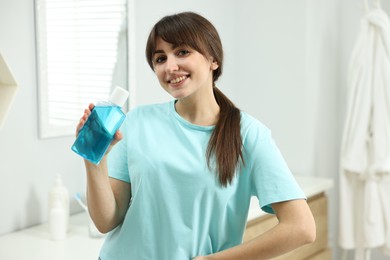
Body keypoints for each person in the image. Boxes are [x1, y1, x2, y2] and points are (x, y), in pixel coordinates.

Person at [76, 11, 316, 260]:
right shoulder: (137, 121)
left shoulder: (249, 135)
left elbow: (301, 227)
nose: (170, 66)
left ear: (213, 59)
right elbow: (107, 221)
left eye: (182, 52)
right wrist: (95, 159)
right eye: (160, 58)